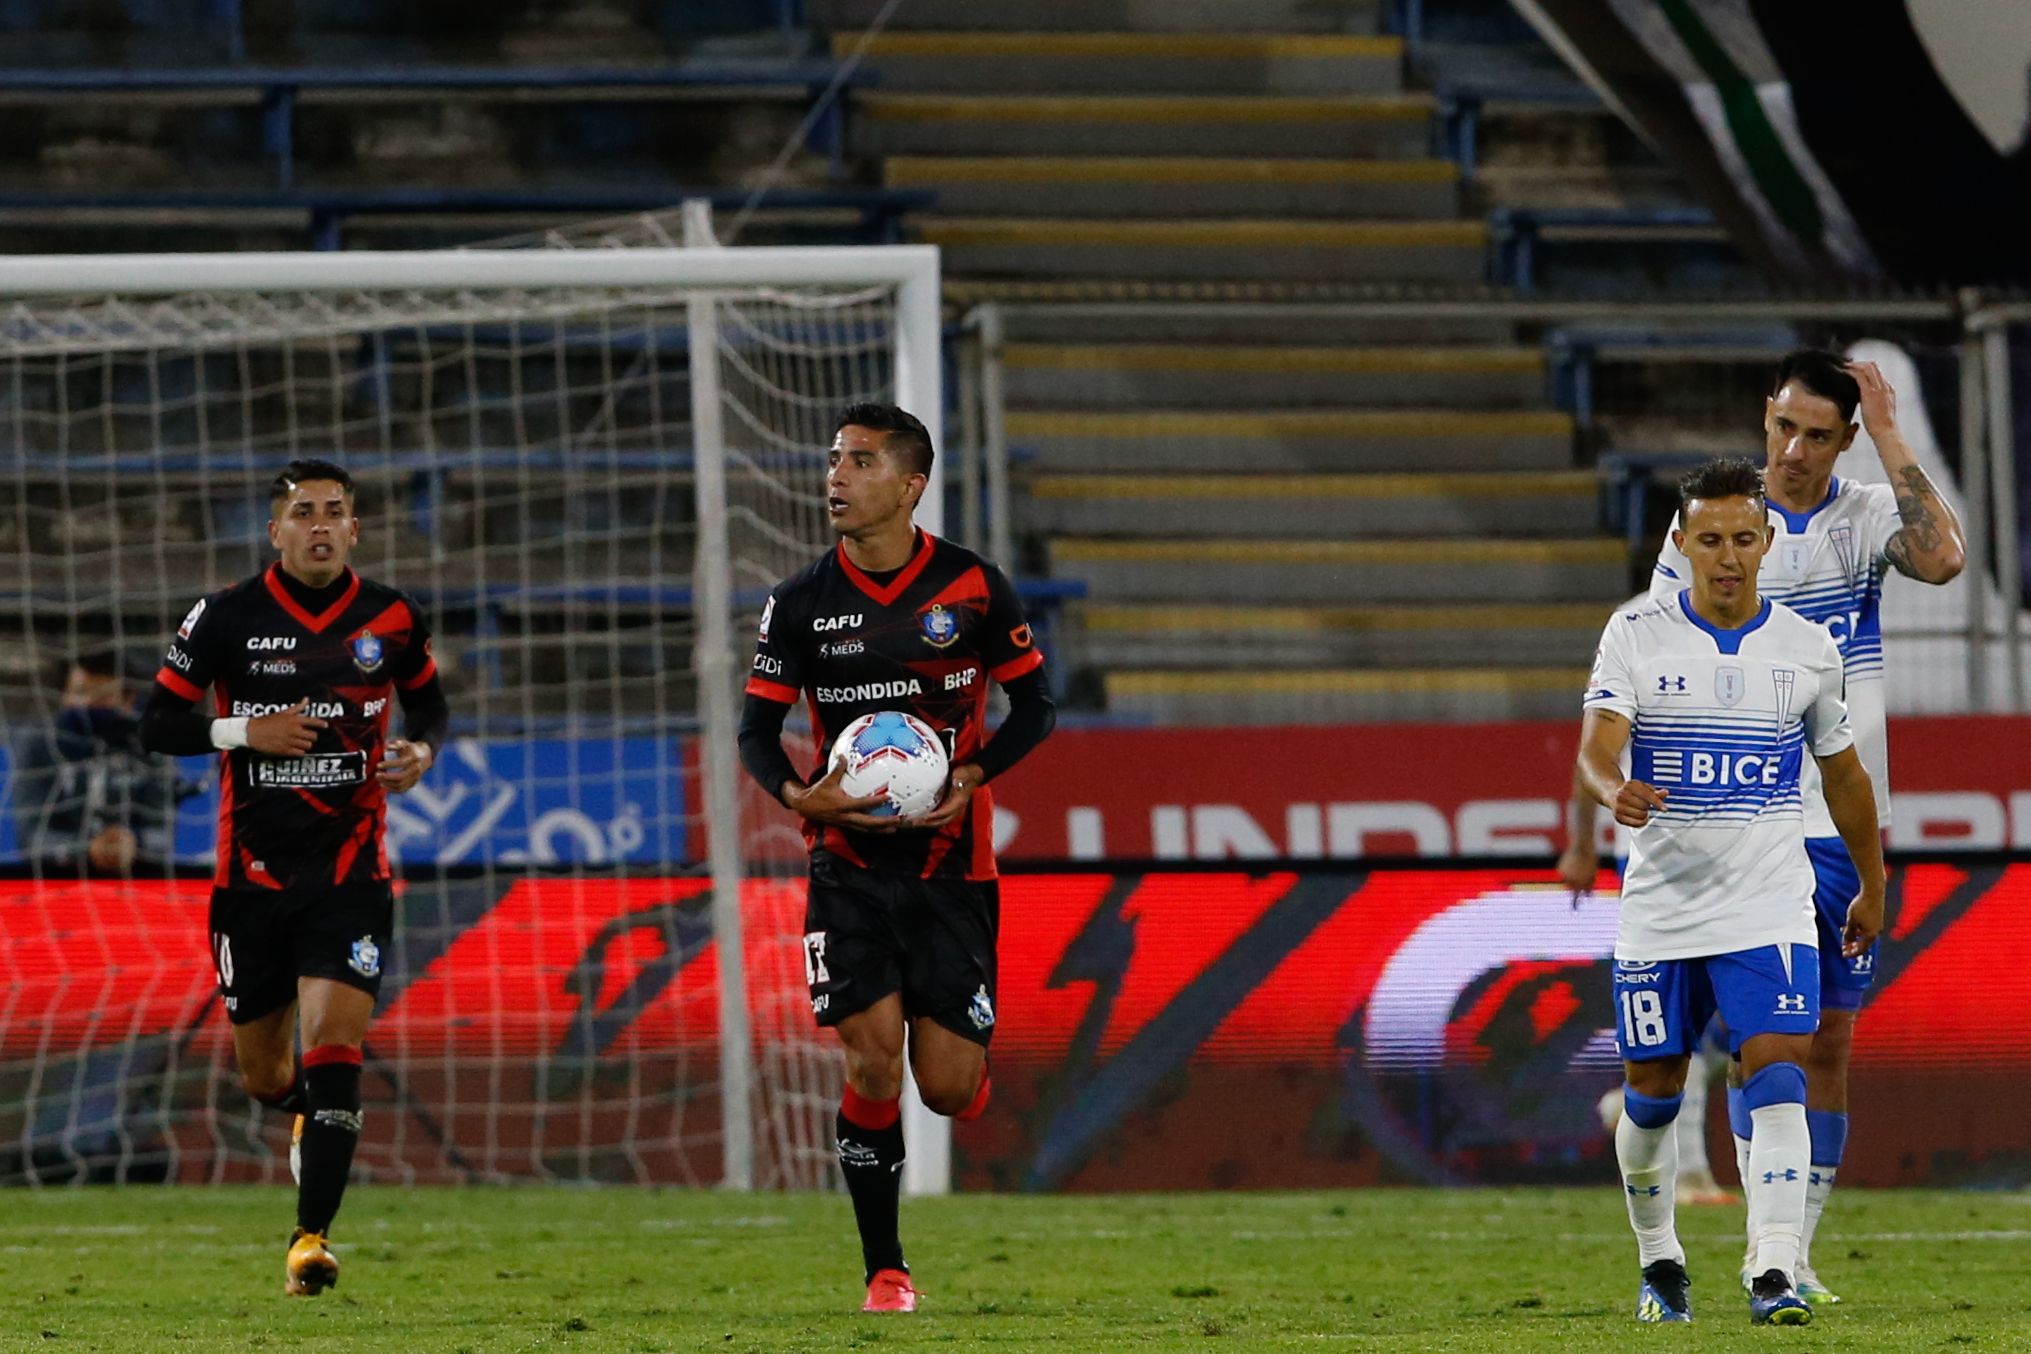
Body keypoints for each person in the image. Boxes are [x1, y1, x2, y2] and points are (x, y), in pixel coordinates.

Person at [1645, 351, 1963, 1302]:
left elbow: (1943, 560)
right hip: (1746, 821)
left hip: (1844, 824)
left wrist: (1893, 430)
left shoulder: (1865, 517)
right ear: (1764, 417)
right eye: (1781, 427)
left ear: (1845, 439)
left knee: (1829, 1042)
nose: (1790, 451)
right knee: (1764, 1040)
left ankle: (1796, 1248)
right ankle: (1764, 1249)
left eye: (1815, 435)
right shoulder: (1715, 525)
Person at [738, 403, 1055, 1313]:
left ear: (909, 485)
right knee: (871, 1066)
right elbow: (755, 729)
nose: (836, 476)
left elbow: (1035, 707)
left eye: (861, 461)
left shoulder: (973, 587)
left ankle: (961, 1048)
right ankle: (886, 1269)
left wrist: (976, 771)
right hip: (846, 865)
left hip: (955, 867)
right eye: (835, 459)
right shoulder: (800, 602)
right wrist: (801, 795)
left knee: (948, 1092)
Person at [1578, 457, 1885, 1326]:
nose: (1726, 556)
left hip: (1769, 900)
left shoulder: (1804, 649)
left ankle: (1774, 1271)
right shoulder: (1635, 632)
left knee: (1778, 1065)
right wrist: (1612, 789)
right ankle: (1660, 1261)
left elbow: (1846, 776)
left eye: (1741, 539)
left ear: (1766, 540)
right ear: (1681, 542)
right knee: (1652, 1091)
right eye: (1707, 539)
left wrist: (1872, 879)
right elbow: (1597, 745)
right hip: (1662, 906)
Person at [138, 458, 448, 1296]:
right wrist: (246, 732)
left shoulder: (391, 615)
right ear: (274, 530)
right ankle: (318, 1123)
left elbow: (430, 703)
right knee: (269, 1078)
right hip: (249, 884)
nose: (319, 524)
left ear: (353, 528)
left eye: (334, 511)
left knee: (336, 1044)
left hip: (350, 877)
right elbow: (158, 723)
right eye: (302, 512)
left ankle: (308, 1241)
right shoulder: (226, 615)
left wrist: (420, 750)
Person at [13, 650, 199, 874]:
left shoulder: (151, 746)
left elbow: (165, 836)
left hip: (137, 880)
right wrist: (86, 849)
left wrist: (135, 843)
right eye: (80, 693)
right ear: (63, 695)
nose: (89, 703)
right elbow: (30, 839)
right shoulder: (40, 743)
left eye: (102, 696)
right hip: (58, 879)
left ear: (128, 700)